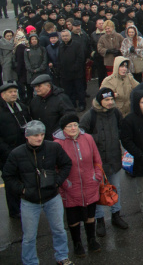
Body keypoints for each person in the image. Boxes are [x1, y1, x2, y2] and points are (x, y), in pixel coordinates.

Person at [2, 120, 75, 265]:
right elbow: (8, 176)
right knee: (29, 236)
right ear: (27, 136)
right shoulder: (17, 154)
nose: (39, 138)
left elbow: (66, 163)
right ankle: (30, 262)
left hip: (52, 198)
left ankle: (62, 257)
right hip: (30, 201)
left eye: (42, 134)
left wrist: (57, 182)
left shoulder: (53, 147)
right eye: (35, 135)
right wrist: (22, 190)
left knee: (59, 230)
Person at [79, 88, 128, 235]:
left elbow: (122, 130)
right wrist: (97, 139)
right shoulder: (90, 116)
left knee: (116, 188)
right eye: (107, 100)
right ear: (100, 101)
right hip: (96, 163)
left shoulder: (116, 113)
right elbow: (81, 136)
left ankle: (116, 215)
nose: (110, 102)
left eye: (111, 99)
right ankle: (99, 220)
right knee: (98, 192)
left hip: (113, 159)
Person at [53, 113, 103, 258]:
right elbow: (55, 168)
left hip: (90, 184)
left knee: (90, 214)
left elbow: (97, 159)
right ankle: (77, 243)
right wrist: (64, 183)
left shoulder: (88, 138)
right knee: (73, 218)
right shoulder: (58, 144)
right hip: (70, 187)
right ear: (63, 128)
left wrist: (97, 176)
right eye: (69, 126)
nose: (73, 128)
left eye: (75, 125)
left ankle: (91, 239)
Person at [0, 82, 33, 219]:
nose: (14, 94)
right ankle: (14, 210)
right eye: (10, 92)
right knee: (11, 182)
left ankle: (27, 205)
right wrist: (7, 151)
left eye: (15, 91)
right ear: (2, 95)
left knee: (25, 177)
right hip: (7, 154)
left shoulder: (22, 107)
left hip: (24, 150)